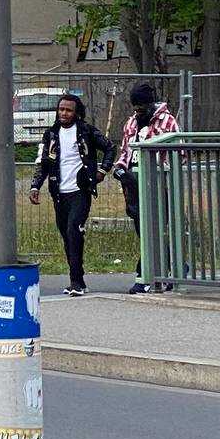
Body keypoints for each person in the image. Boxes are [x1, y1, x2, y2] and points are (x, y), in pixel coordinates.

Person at [28, 92, 113, 296]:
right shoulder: (50, 134)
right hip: (59, 192)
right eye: (61, 109)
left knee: (75, 231)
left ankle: (75, 282)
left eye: (68, 110)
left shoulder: (86, 131)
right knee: (67, 235)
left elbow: (110, 148)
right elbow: (43, 163)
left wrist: (102, 171)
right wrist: (35, 186)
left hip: (80, 190)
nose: (64, 113)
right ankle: (79, 279)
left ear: (77, 113)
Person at [115, 81, 181, 294]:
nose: (138, 112)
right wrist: (120, 168)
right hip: (134, 185)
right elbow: (125, 152)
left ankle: (145, 276)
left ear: (151, 104)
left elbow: (180, 154)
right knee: (142, 231)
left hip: (157, 184)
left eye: (142, 108)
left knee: (154, 229)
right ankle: (175, 267)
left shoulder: (167, 122)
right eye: (135, 108)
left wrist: (163, 168)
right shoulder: (131, 123)